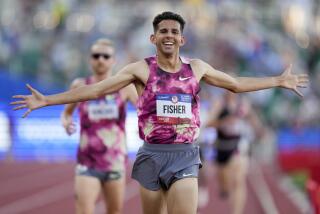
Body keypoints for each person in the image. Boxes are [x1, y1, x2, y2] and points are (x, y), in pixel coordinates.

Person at [11, 11, 309, 214]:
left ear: (182, 39)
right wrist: (48, 101)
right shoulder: (140, 69)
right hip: (151, 154)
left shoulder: (198, 68)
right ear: (153, 39)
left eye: (174, 32)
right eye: (163, 31)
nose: (169, 35)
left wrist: (277, 81)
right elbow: (97, 90)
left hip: (184, 155)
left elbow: (235, 83)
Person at [61, 38, 138, 214]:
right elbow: (66, 112)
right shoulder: (80, 85)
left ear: (114, 60)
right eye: (96, 56)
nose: (100, 59)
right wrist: (66, 123)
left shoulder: (125, 87)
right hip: (87, 161)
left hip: (115, 162)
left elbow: (143, 110)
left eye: (105, 56)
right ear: (90, 59)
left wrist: (145, 124)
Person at [205, 91, 265, 214]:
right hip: (222, 147)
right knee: (225, 185)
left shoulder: (243, 104)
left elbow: (253, 119)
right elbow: (208, 123)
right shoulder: (219, 103)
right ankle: (224, 188)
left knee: (238, 180)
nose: (231, 90)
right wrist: (224, 122)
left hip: (239, 144)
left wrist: (259, 129)